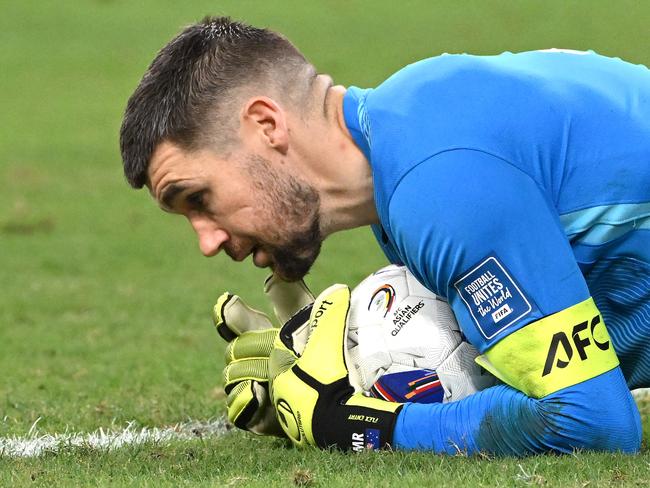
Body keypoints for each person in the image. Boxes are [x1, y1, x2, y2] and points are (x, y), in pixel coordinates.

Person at [119, 16, 650, 455]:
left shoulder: (437, 186)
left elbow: (591, 422)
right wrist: (352, 363)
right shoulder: (408, 132)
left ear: (266, 125)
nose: (207, 241)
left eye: (198, 199)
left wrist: (347, 423)